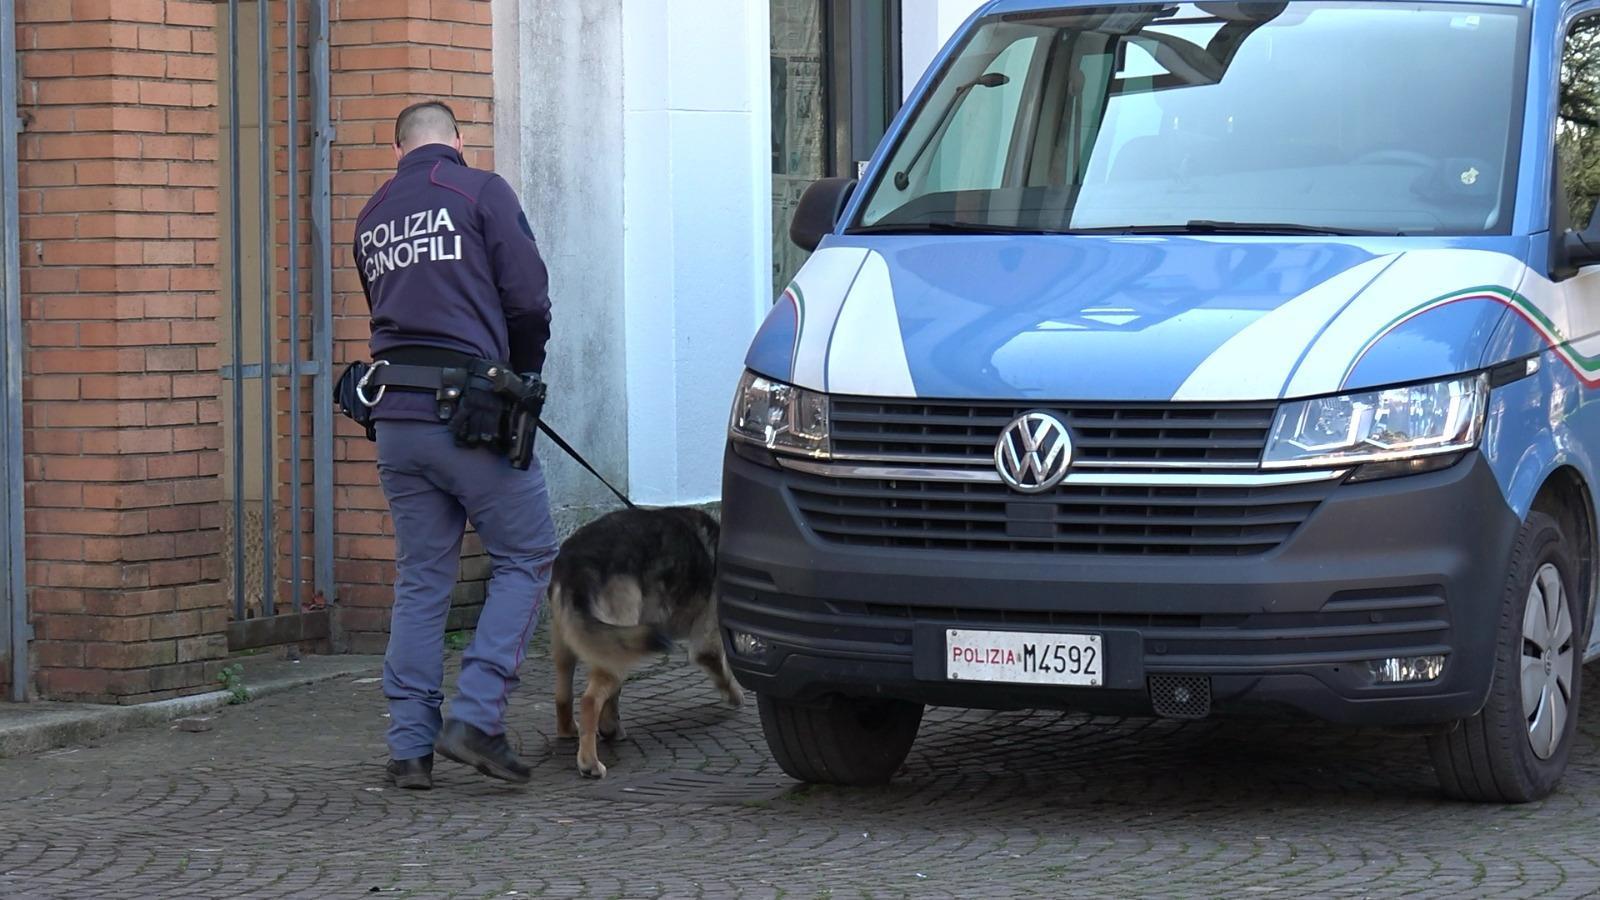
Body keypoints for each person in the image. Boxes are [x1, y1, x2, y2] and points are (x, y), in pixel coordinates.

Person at [352, 100, 558, 789]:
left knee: (421, 575)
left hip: (396, 420)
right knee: (526, 555)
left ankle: (409, 746)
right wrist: (524, 373)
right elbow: (528, 297)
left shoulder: (374, 213)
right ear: (458, 141)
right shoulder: (479, 191)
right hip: (470, 414)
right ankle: (475, 718)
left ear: (398, 149)